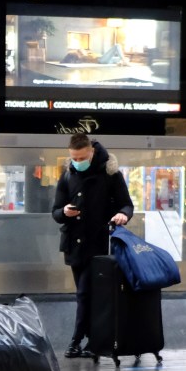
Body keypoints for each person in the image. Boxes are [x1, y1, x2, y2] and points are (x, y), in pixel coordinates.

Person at [51, 132, 134, 358]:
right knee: (86, 293)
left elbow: (127, 205)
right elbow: (56, 212)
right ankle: (92, 341)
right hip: (74, 245)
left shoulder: (110, 173)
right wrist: (65, 212)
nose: (77, 162)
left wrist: (122, 215)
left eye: (81, 157)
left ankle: (77, 340)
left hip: (98, 244)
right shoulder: (68, 174)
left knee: (85, 293)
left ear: (92, 151)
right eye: (74, 158)